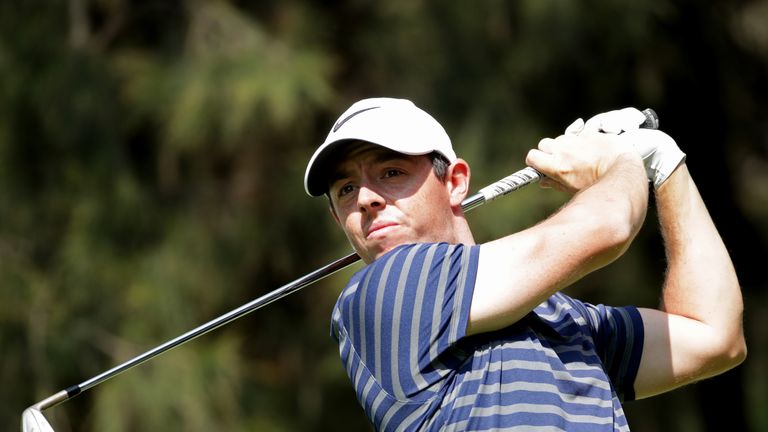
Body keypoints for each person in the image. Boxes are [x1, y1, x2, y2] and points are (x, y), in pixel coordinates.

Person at [303, 97, 746, 431]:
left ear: (455, 182)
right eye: (345, 190)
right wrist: (620, 161)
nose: (365, 199)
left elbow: (715, 337)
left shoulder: (562, 317)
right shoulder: (384, 292)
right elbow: (609, 226)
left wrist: (668, 166)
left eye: (391, 172)